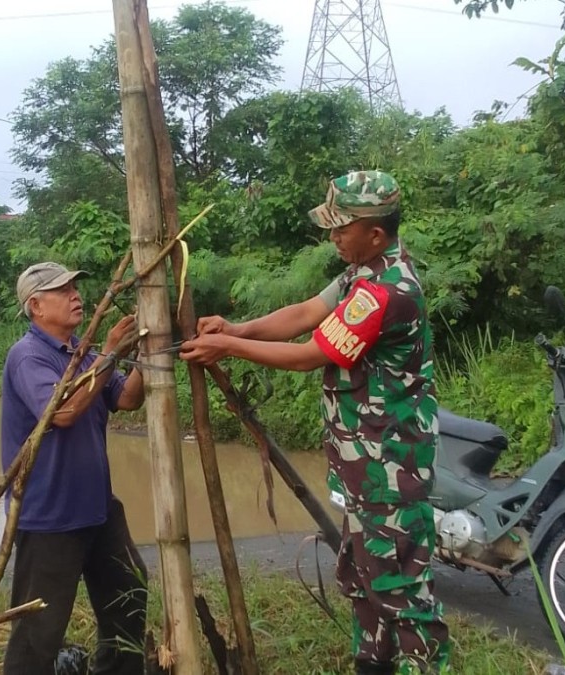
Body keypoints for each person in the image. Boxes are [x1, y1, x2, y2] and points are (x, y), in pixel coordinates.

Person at [180, 171, 451, 674]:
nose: (333, 238)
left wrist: (228, 346)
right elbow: (307, 311)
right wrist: (237, 328)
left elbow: (309, 354)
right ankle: (373, 663)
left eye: (341, 229)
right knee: (365, 577)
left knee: (399, 587)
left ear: (375, 232)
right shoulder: (361, 273)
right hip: (362, 462)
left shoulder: (388, 291)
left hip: (390, 468)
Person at [1, 261, 147, 675]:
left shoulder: (80, 352)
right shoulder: (28, 356)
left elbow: (126, 399)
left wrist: (139, 355)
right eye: (61, 290)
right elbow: (62, 411)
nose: (75, 295)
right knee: (38, 629)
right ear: (35, 306)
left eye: (74, 287)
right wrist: (112, 353)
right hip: (50, 515)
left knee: (128, 592)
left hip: (97, 507)